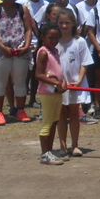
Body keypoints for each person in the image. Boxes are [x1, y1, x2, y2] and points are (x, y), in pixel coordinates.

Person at [56, 9, 93, 158]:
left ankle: (75, 145)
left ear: (73, 23)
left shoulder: (80, 41)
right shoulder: (54, 41)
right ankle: (62, 145)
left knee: (74, 115)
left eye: (67, 23)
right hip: (59, 84)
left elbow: (85, 63)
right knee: (61, 115)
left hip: (75, 83)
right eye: (61, 23)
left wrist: (78, 80)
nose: (64, 26)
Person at [34, 22, 67, 165]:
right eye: (50, 38)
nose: (54, 41)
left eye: (56, 38)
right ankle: (44, 153)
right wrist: (55, 83)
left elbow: (58, 70)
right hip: (47, 93)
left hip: (56, 92)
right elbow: (38, 75)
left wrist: (63, 82)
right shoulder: (43, 52)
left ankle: (50, 150)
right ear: (42, 37)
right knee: (47, 122)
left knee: (54, 121)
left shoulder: (55, 51)